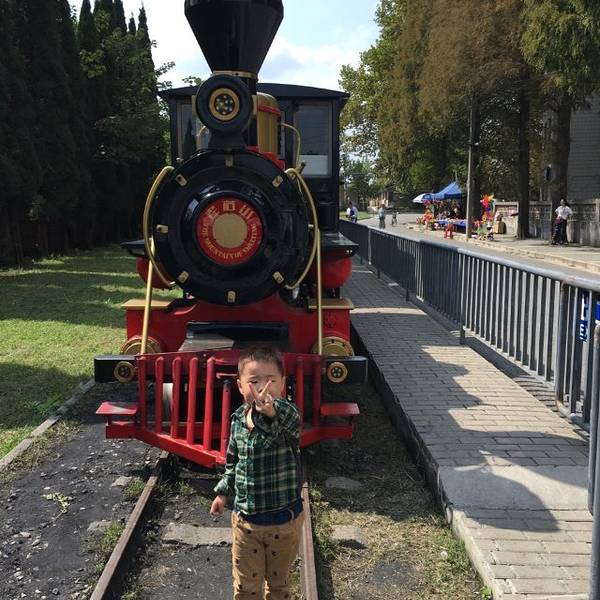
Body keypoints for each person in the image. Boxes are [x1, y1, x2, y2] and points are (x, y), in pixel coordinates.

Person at [210, 346, 303, 600]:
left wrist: (270, 413)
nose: (263, 387)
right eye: (254, 381)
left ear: (283, 383)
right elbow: (233, 463)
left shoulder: (287, 413)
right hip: (245, 523)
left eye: (271, 380)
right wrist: (222, 494)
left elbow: (286, 424)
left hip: (284, 522)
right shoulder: (238, 420)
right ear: (240, 386)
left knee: (279, 585)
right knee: (245, 587)